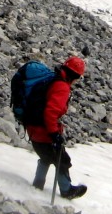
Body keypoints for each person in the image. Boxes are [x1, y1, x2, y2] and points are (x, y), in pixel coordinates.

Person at [26, 56, 88, 199]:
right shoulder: (62, 87)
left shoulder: (53, 79)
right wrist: (54, 134)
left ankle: (38, 184)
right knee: (62, 160)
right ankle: (67, 190)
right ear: (75, 75)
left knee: (46, 156)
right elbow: (50, 113)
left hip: (33, 128)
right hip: (43, 131)